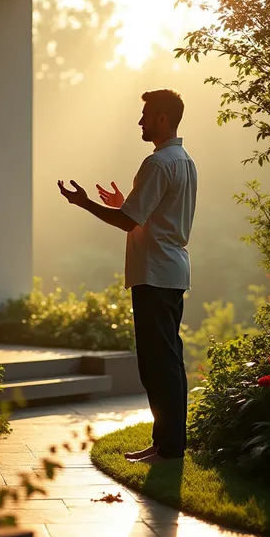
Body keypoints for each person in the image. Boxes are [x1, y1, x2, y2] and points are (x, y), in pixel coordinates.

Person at [57, 88, 197, 463]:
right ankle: (166, 443)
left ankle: (169, 448)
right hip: (171, 271)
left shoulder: (157, 163)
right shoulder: (184, 160)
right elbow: (152, 212)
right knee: (167, 361)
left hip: (154, 273)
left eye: (147, 114)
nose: (141, 121)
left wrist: (85, 202)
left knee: (158, 364)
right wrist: (124, 203)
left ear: (163, 119)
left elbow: (128, 222)